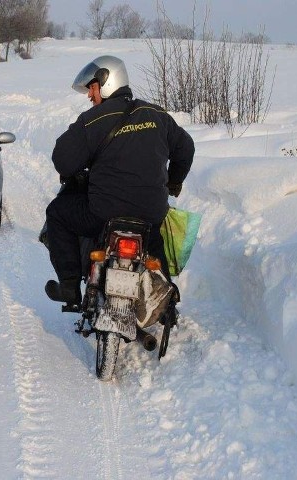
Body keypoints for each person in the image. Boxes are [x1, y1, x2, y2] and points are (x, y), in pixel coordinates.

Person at [44, 55, 195, 306]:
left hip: (104, 213)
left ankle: (69, 286)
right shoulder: (156, 114)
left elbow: (63, 160)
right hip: (151, 213)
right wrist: (173, 182)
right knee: (154, 243)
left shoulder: (93, 121)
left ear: (106, 82)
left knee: (57, 213)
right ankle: (166, 304)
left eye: (91, 88)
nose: (89, 96)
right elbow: (186, 148)